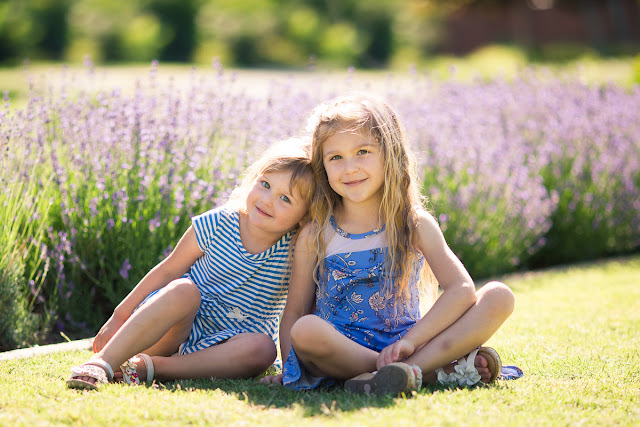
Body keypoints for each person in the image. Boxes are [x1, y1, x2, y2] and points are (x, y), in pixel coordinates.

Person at [261, 94, 515, 394]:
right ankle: (429, 371)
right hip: (340, 351)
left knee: (499, 296)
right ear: (323, 166)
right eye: (335, 158)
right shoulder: (316, 233)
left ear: (390, 153)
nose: (350, 168)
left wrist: (410, 342)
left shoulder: (413, 224)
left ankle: (406, 370)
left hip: (407, 344)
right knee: (305, 329)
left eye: (363, 151)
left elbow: (461, 290)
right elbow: (294, 311)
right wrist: (290, 368)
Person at [67, 138, 315, 390]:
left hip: (225, 348)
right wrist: (118, 316)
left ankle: (153, 367)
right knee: (183, 290)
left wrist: (289, 369)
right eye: (265, 184)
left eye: (285, 199)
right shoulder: (219, 222)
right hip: (174, 329)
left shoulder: (296, 249)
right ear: (253, 179)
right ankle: (103, 362)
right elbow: (168, 269)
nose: (268, 200)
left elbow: (293, 312)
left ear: (305, 216)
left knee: (263, 348)